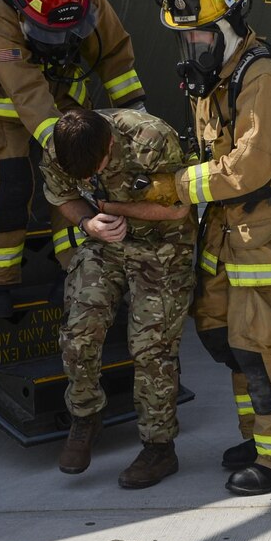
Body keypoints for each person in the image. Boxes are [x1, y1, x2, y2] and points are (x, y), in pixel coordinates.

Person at [163, 0, 271, 494]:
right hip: (228, 228)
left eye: (199, 36)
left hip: (267, 229)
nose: (192, 48)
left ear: (227, 26)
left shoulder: (264, 77)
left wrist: (182, 185)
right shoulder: (213, 79)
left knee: (264, 342)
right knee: (221, 333)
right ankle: (261, 437)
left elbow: (251, 166)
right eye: (186, 39)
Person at [0, 0, 146, 297]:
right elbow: (25, 87)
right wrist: (61, 144)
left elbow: (114, 54)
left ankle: (76, 268)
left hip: (59, 89)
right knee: (12, 179)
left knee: (80, 176)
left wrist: (135, 112)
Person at [43, 109, 198, 488]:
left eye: (96, 169)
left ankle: (159, 448)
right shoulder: (57, 147)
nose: (89, 180)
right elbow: (63, 195)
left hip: (163, 244)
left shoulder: (152, 140)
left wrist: (111, 209)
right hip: (106, 243)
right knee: (79, 329)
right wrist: (87, 222)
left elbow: (178, 206)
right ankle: (85, 415)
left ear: (110, 144)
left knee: (151, 347)